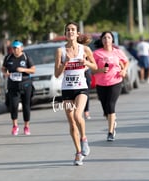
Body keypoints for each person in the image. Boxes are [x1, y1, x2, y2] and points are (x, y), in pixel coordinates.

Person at [54, 22, 97, 166]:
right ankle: (78, 153)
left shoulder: (85, 49)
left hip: (81, 88)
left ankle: (84, 139)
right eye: (68, 30)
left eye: (73, 29)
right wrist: (64, 63)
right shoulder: (60, 51)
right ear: (65, 34)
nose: (70, 32)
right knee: (72, 122)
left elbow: (95, 67)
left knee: (78, 115)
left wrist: (85, 62)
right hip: (67, 89)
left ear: (77, 33)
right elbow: (57, 74)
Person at [92, 31, 129, 141]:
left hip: (115, 81)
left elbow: (126, 62)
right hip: (101, 83)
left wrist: (124, 70)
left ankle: (110, 132)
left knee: (110, 104)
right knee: (105, 109)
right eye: (104, 38)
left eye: (109, 37)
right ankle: (112, 121)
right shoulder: (97, 53)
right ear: (101, 40)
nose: (106, 40)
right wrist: (101, 70)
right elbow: (93, 71)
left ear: (112, 40)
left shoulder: (118, 52)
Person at [1, 40, 36, 136]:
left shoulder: (26, 57)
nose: (15, 50)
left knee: (26, 106)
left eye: (17, 48)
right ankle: (15, 126)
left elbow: (33, 70)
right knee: (13, 105)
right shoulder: (8, 57)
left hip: (25, 84)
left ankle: (26, 126)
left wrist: (23, 69)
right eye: (13, 48)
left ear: (21, 48)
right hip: (13, 85)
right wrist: (5, 73)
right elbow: (3, 68)